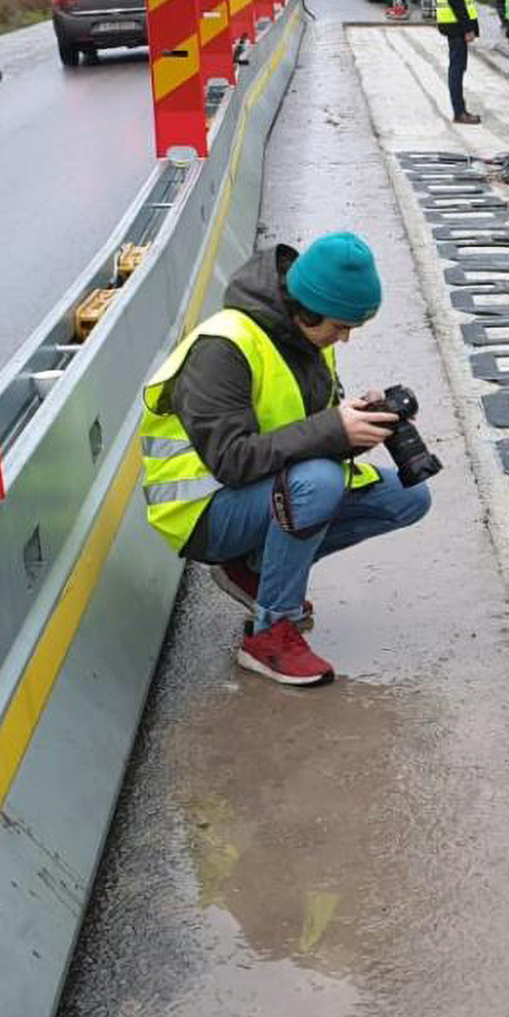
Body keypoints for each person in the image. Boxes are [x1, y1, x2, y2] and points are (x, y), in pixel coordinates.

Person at [138, 235, 432, 687]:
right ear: (306, 309)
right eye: (340, 326)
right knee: (316, 485)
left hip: (259, 492)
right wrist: (334, 429)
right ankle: (271, 634)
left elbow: (305, 431)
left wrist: (357, 424)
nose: (345, 338)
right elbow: (232, 460)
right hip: (201, 511)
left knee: (408, 497)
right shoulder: (224, 348)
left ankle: (253, 568)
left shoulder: (309, 337)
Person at [433, 0, 480, 125]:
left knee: (458, 67)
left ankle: (460, 110)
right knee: (457, 68)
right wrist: (467, 28)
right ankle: (459, 112)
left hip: (453, 24)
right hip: (455, 25)